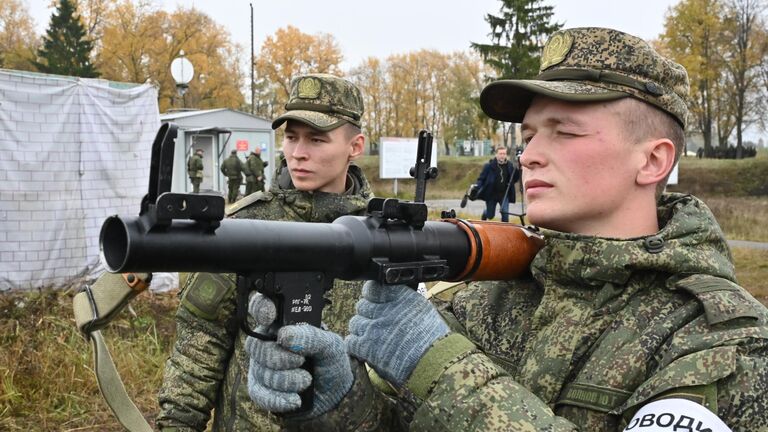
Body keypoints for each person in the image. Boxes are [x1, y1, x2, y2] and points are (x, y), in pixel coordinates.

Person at [245, 28, 768, 431]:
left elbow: (441, 376)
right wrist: (334, 398)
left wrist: (439, 367)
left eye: (564, 132)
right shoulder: (487, 302)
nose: (530, 155)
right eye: (530, 134)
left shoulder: (721, 342)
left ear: (653, 160)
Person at [156, 73, 372, 431]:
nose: (298, 153)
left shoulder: (382, 237)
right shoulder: (245, 228)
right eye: (290, 137)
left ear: (355, 145)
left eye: (317, 139)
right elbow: (198, 346)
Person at [475, 145, 520, 222]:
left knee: (505, 214)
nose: (502, 156)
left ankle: (504, 231)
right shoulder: (489, 166)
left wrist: (519, 169)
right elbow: (481, 179)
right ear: (496, 154)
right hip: (491, 194)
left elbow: (514, 178)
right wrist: (477, 186)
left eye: (504, 154)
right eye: (500, 154)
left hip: (504, 194)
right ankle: (485, 213)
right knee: (490, 215)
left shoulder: (509, 166)